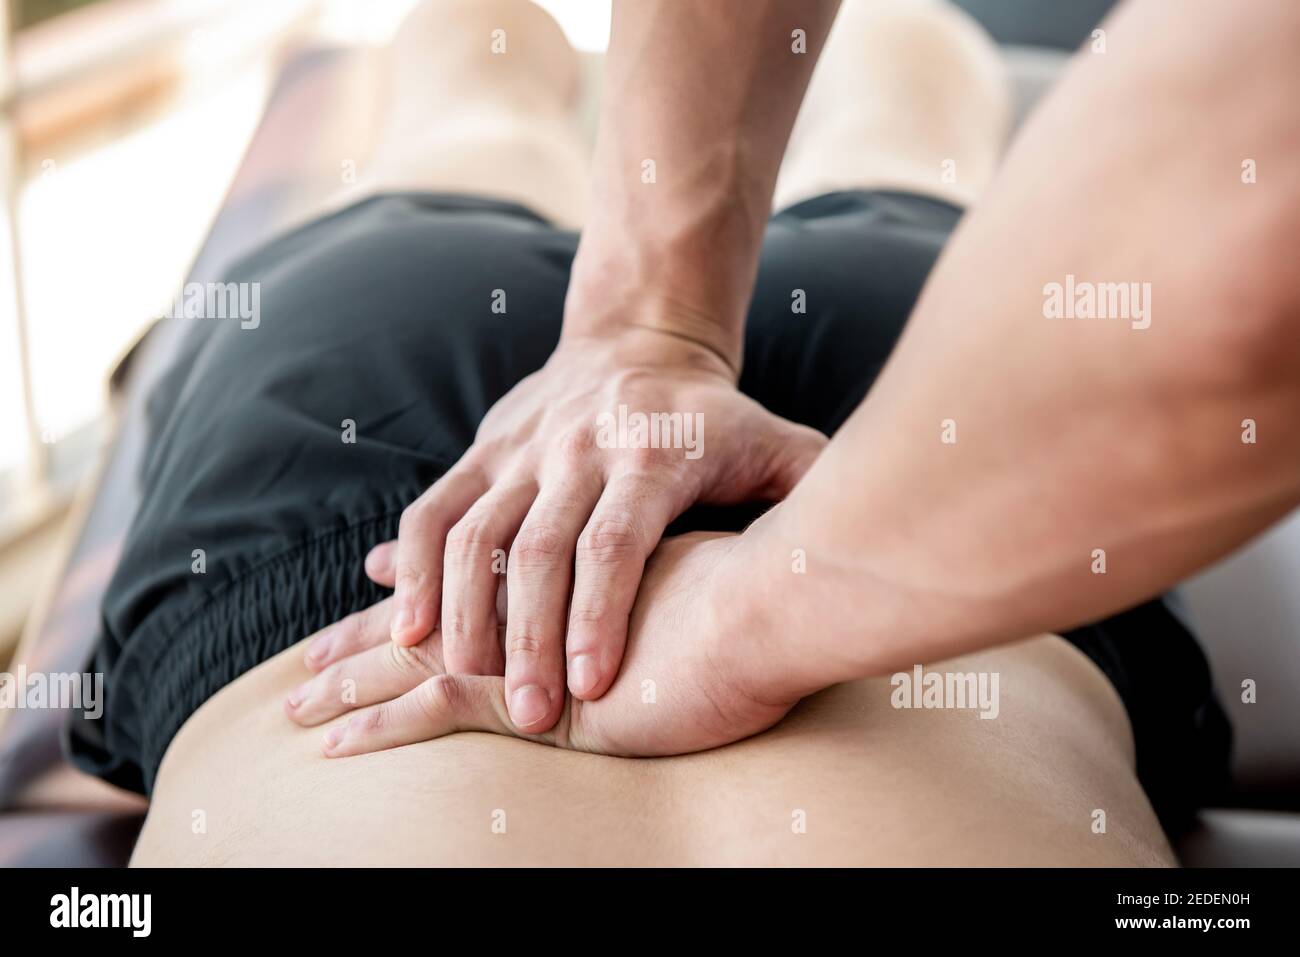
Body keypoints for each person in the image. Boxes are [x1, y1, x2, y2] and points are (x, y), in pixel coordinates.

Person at [72, 0, 1286, 864]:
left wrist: (651, 333)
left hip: (930, 512)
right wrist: (741, 579)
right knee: (478, 105)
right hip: (922, 518)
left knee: (887, 104)